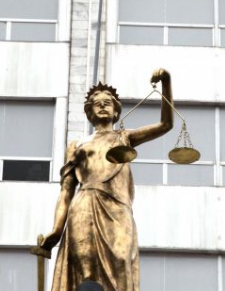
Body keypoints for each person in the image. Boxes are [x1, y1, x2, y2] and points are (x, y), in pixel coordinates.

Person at [40, 69, 174, 291]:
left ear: (116, 112)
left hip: (117, 208)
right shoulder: (77, 147)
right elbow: (66, 191)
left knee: (121, 260)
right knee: (85, 270)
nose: (102, 106)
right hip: (84, 205)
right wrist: (56, 230)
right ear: (90, 112)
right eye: (97, 103)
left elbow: (165, 125)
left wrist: (166, 84)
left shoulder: (124, 138)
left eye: (107, 103)